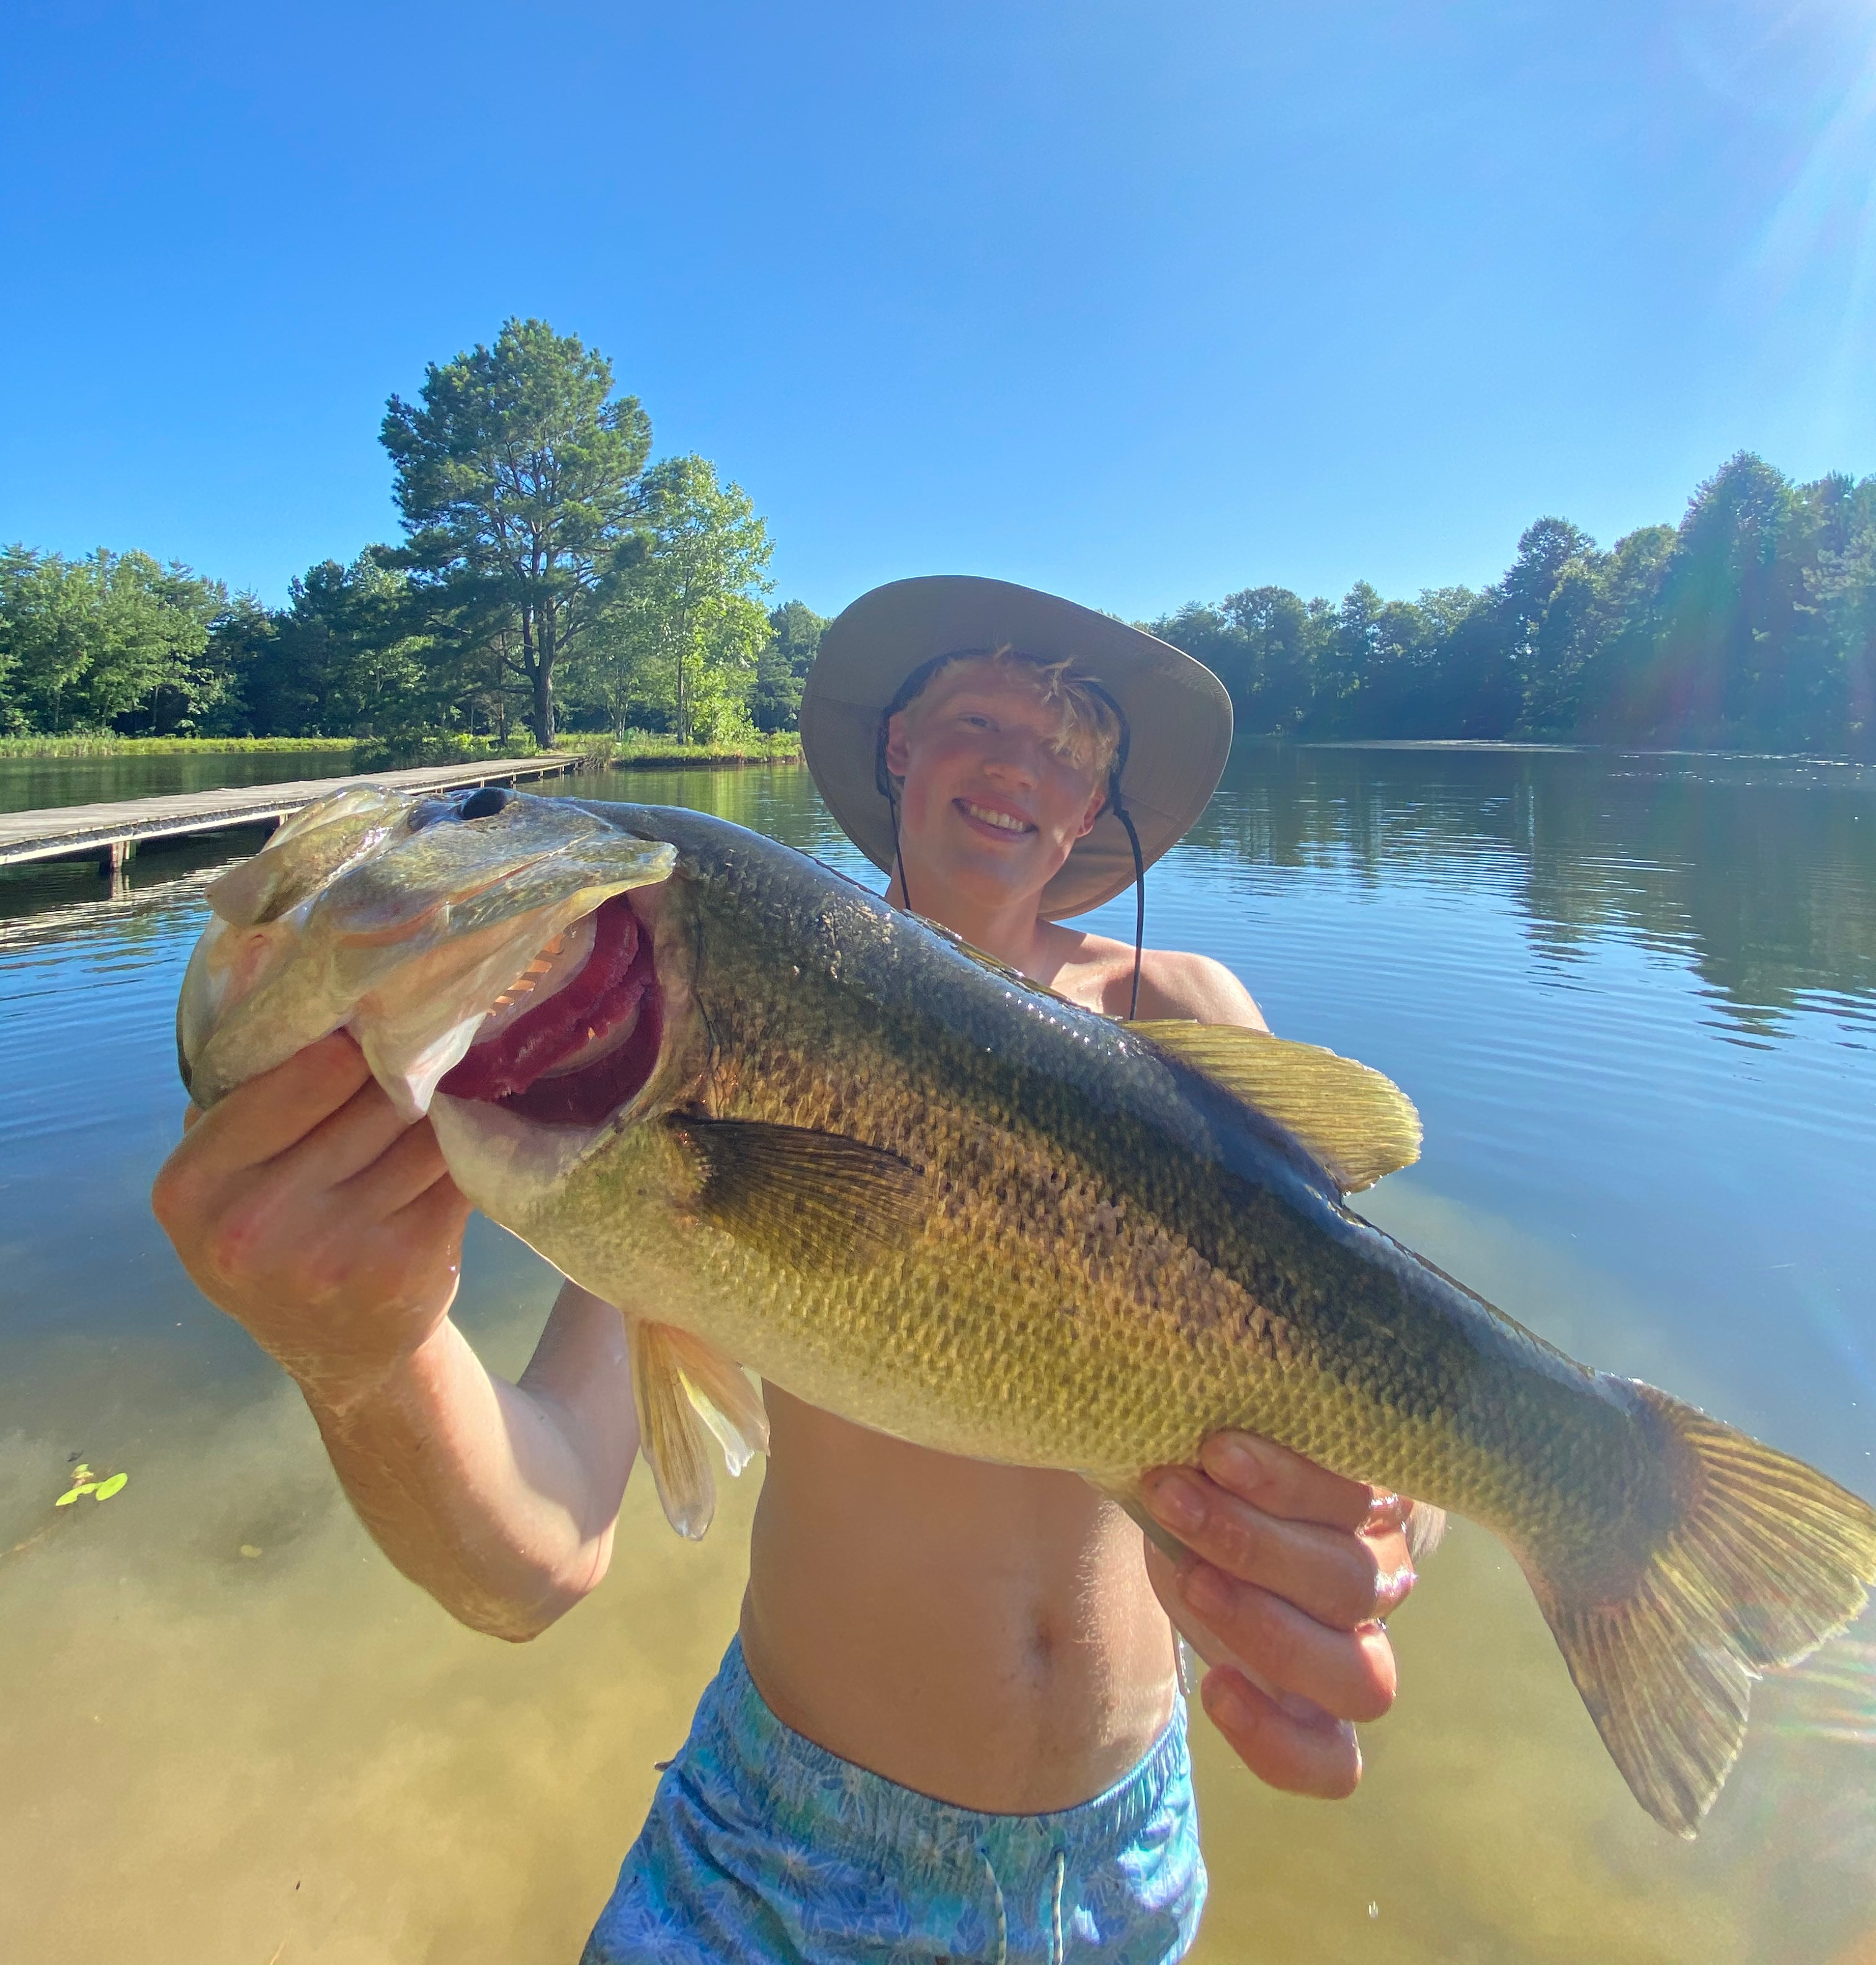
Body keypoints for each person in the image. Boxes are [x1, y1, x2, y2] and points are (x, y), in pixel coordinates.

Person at [153, 577, 1418, 1964]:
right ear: (897, 751)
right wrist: (365, 1355)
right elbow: (534, 1554)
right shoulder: (705, 1033)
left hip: (1129, 1861)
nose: (1019, 767)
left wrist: (1375, 1526)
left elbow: (1364, 1379)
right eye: (982, 719)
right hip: (779, 1863)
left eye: (1070, 748)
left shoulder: (1185, 1017)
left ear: (1094, 807)